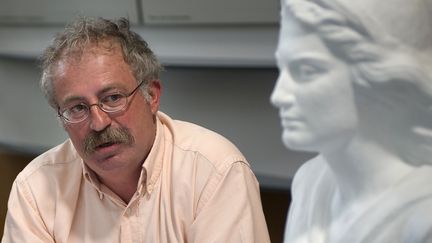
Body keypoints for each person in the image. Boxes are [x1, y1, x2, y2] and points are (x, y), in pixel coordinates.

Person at [1, 17, 270, 243]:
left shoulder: (214, 171)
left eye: (113, 98)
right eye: (77, 108)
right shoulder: (35, 189)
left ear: (151, 96)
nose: (98, 122)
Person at [271, 0, 432, 242]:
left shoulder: (422, 217)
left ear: (375, 75)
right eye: (281, 68)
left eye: (306, 71)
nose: (278, 96)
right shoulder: (309, 184)